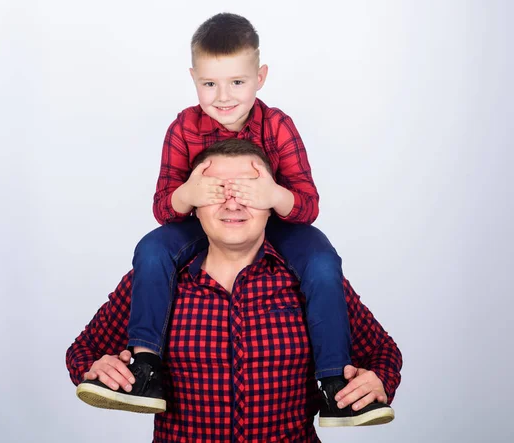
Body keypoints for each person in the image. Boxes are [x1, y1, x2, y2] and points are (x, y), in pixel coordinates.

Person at [77, 12, 382, 424]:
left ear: (261, 76)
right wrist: (188, 194)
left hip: (278, 222)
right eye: (209, 84)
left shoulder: (278, 126)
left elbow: (307, 205)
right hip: (195, 224)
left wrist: (272, 195)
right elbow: (164, 207)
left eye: (237, 82)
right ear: (193, 78)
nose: (223, 96)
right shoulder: (184, 127)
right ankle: (146, 364)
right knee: (150, 248)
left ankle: (332, 382)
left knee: (323, 260)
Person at [68, 141, 402, 441]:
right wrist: (98, 368)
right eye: (216, 191)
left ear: (273, 205)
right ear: (192, 206)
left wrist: (378, 381)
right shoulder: (155, 281)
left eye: (248, 191)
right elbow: (83, 350)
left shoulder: (314, 281)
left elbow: (383, 352)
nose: (233, 204)